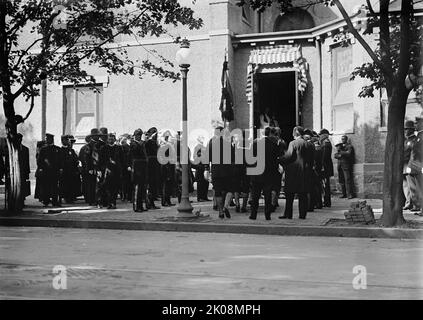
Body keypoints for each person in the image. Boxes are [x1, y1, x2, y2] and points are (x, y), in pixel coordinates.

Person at [279, 126, 314, 220]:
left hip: (293, 172)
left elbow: (289, 156)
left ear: (294, 134)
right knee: (303, 195)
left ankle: (288, 214)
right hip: (305, 172)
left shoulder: (293, 143)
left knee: (289, 195)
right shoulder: (309, 144)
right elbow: (312, 159)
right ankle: (302, 215)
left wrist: (279, 159)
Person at [249, 127, 280, 220]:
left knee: (255, 195)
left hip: (257, 173)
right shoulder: (273, 144)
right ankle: (267, 214)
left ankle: (253, 214)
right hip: (268, 173)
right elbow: (275, 160)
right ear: (269, 133)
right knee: (267, 195)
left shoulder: (255, 143)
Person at [206, 126, 233, 219]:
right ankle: (226, 206)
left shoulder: (211, 143)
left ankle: (220, 211)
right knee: (229, 190)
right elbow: (233, 158)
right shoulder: (228, 143)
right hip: (227, 170)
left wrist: (207, 169)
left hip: (216, 170)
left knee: (218, 191)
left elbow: (207, 158)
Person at [37, 133, 62, 207]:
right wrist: (41, 168)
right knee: (46, 187)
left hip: (55, 171)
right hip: (46, 171)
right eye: (46, 139)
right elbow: (39, 160)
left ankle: (55, 201)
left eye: (48, 139)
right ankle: (46, 201)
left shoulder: (57, 149)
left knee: (55, 187)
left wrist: (61, 168)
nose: (47, 140)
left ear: (52, 140)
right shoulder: (43, 149)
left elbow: (60, 160)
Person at [101, 133, 124, 209]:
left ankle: (113, 202)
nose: (111, 140)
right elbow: (102, 160)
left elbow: (122, 159)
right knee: (108, 188)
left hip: (116, 170)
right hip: (108, 170)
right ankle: (109, 203)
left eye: (112, 139)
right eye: (109, 139)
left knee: (115, 188)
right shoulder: (104, 148)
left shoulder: (118, 148)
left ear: (114, 139)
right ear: (107, 140)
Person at [129, 128, 149, 212]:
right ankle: (136, 206)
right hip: (137, 167)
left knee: (142, 188)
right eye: (138, 135)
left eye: (140, 135)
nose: (139, 137)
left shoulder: (142, 144)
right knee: (137, 188)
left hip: (143, 166)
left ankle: (140, 205)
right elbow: (136, 151)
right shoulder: (133, 144)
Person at [407, 117, 423, 216]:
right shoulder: (418, 136)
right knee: (418, 189)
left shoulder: (422, 136)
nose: (415, 125)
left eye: (417, 123)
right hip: (416, 165)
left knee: (421, 188)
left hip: (420, 165)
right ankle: (421, 208)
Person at [59, 135, 81, 204]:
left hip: (72, 170)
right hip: (65, 171)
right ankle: (66, 197)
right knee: (65, 185)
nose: (68, 142)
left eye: (68, 140)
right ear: (63, 141)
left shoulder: (71, 150)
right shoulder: (60, 150)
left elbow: (76, 159)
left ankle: (71, 197)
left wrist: (76, 163)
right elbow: (60, 160)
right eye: (66, 140)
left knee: (72, 184)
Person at [403, 120, 419, 211]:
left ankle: (416, 205)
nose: (405, 131)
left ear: (411, 130)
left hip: (410, 166)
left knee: (412, 186)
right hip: (404, 166)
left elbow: (412, 154)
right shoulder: (406, 139)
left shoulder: (413, 139)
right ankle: (408, 203)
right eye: (405, 129)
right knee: (406, 186)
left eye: (407, 129)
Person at [79, 129, 98, 205]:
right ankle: (91, 200)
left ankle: (95, 199)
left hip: (95, 169)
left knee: (95, 185)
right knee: (90, 185)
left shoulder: (97, 145)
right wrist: (89, 168)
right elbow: (85, 158)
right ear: (93, 136)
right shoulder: (88, 146)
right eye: (96, 135)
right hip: (89, 169)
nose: (97, 137)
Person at [334, 135, 355, 199]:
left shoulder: (349, 146)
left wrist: (341, 153)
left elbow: (348, 153)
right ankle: (344, 194)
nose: (343, 140)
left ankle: (349, 194)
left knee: (347, 180)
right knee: (341, 181)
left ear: (346, 139)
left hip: (346, 165)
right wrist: (340, 154)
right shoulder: (340, 146)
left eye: (344, 139)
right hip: (340, 165)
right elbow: (336, 155)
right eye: (342, 139)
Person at [145, 127, 160, 209]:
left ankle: (151, 202)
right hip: (150, 165)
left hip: (154, 164)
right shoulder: (149, 142)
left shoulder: (154, 142)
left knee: (153, 184)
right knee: (150, 184)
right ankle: (149, 203)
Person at [159, 130, 176, 207]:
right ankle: (165, 201)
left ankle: (167, 200)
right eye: (169, 137)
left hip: (170, 166)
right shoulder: (165, 146)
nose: (171, 138)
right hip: (166, 167)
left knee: (168, 185)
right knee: (165, 185)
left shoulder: (169, 145)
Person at [319, 129, 334, 207]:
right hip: (326, 166)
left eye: (320, 135)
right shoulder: (325, 142)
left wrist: (322, 166)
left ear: (324, 135)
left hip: (325, 167)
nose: (319, 136)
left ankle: (327, 202)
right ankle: (326, 201)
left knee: (325, 185)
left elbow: (324, 157)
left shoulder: (325, 143)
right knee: (325, 184)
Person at [193, 135, 210, 202]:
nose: (203, 139)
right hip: (200, 167)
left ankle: (204, 196)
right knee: (200, 183)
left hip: (204, 167)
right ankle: (200, 197)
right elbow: (195, 157)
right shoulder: (197, 147)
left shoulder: (204, 147)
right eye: (201, 138)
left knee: (205, 183)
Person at [119, 134, 132, 202]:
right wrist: (127, 165)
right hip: (125, 167)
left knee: (128, 182)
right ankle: (124, 196)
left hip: (127, 166)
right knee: (125, 183)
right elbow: (124, 158)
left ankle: (127, 196)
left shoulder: (129, 146)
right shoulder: (124, 147)